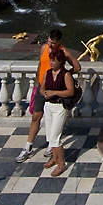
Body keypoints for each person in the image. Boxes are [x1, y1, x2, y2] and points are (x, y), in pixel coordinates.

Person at [15, 30, 80, 163]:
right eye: (49, 41)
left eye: (53, 43)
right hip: (42, 87)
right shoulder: (44, 47)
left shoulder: (63, 52)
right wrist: (39, 82)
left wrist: (64, 76)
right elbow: (40, 65)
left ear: (59, 42)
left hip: (54, 90)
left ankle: (52, 147)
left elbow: (77, 67)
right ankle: (28, 147)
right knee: (35, 117)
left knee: (53, 119)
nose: (50, 45)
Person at [40, 49, 80, 176]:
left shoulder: (65, 75)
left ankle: (61, 164)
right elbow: (42, 87)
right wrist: (44, 93)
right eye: (50, 60)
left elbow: (70, 92)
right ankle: (55, 158)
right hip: (48, 106)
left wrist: (55, 92)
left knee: (55, 137)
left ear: (60, 62)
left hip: (59, 107)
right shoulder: (48, 73)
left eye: (53, 60)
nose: (51, 63)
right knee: (49, 135)